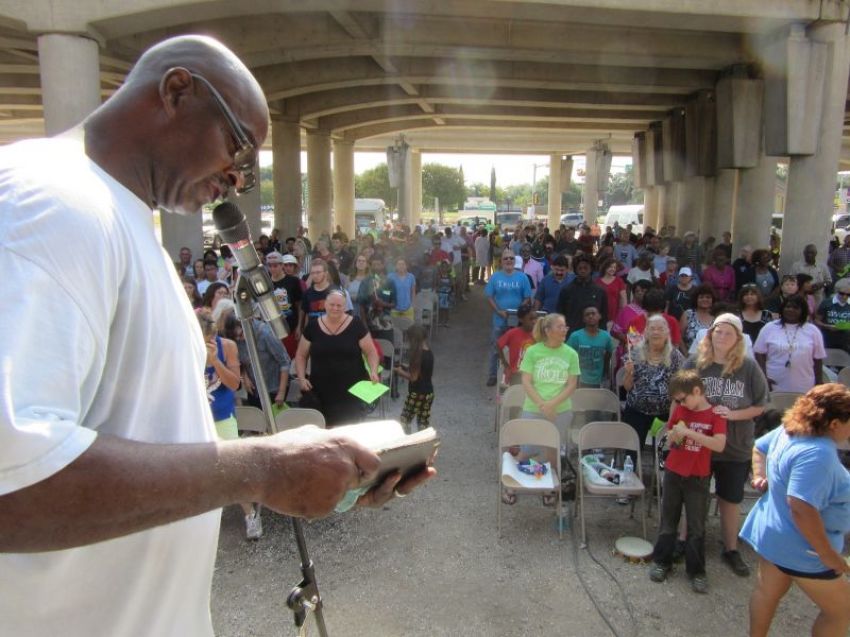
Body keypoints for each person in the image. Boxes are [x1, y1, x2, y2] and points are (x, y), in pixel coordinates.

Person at [0, 35, 432, 636]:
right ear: (178, 92)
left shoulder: (113, 213)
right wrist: (259, 468)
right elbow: (13, 483)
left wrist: (311, 479)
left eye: (249, 167)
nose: (237, 178)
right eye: (237, 146)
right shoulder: (47, 205)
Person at [740, 383, 850, 637]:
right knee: (841, 611)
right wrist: (827, 554)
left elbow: (759, 447)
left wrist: (760, 475)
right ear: (834, 423)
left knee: (766, 593)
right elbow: (800, 506)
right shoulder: (818, 453)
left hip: (774, 537)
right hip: (805, 550)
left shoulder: (789, 430)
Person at [684, 313, 769, 577]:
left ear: (738, 339)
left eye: (728, 333)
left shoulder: (749, 367)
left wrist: (731, 415)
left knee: (730, 498)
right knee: (693, 495)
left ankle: (731, 548)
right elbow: (678, 397)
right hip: (700, 441)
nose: (721, 337)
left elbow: (760, 405)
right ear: (709, 334)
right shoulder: (695, 363)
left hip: (735, 443)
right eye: (717, 331)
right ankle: (684, 541)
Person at [649, 370, 727, 594]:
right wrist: (675, 435)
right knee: (668, 521)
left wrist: (690, 433)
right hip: (674, 471)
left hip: (698, 475)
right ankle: (662, 561)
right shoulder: (682, 409)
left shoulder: (715, 414)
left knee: (696, 526)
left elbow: (718, 445)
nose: (681, 404)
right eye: (677, 401)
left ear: (697, 391)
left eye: (683, 399)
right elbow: (674, 437)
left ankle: (697, 571)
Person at [514, 312, 581, 505]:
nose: (565, 330)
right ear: (548, 330)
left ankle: (549, 487)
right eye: (560, 327)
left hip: (561, 410)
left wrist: (551, 405)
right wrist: (543, 405)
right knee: (528, 448)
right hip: (534, 407)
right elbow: (526, 381)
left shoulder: (571, 354)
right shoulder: (533, 351)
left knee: (552, 451)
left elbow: (571, 385)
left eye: (565, 326)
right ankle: (512, 484)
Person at [294, 289, 381, 426]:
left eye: (339, 305)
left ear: (345, 307)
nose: (335, 308)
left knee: (348, 432)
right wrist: (301, 378)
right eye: (332, 304)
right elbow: (300, 355)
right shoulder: (312, 327)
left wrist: (374, 371)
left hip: (351, 392)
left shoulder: (356, 325)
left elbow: (371, 352)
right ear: (325, 305)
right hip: (320, 391)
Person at [622, 315, 686, 464]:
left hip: (666, 410)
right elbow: (627, 387)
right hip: (638, 408)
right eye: (652, 329)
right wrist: (629, 372)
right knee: (632, 447)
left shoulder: (676, 356)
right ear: (646, 332)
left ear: (667, 333)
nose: (656, 332)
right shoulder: (635, 353)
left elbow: (681, 389)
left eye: (660, 329)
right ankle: (630, 470)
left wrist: (672, 418)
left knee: (673, 440)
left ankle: (666, 473)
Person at [754, 295, 825, 394]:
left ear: (803, 311)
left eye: (795, 308)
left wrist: (819, 382)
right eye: (788, 307)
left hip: (804, 384)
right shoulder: (769, 328)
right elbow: (759, 353)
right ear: (782, 309)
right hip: (773, 383)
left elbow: (818, 359)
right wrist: (763, 377)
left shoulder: (812, 330)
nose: (791, 310)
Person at [485, 249, 532, 387]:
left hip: (517, 321)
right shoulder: (495, 277)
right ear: (501, 261)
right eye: (506, 258)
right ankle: (493, 375)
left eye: (511, 258)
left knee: (517, 349)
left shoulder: (522, 277)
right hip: (499, 320)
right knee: (496, 348)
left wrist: (518, 313)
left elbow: (527, 297)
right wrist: (499, 311)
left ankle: (516, 375)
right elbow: (489, 296)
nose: (509, 261)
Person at [393, 325, 435, 433]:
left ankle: (408, 442)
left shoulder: (418, 355)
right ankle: (423, 445)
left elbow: (413, 378)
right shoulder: (429, 353)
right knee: (423, 422)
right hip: (428, 393)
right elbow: (422, 372)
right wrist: (407, 367)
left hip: (417, 393)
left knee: (405, 420)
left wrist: (400, 371)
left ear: (413, 340)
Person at [556, 254, 608, 334]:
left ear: (591, 269)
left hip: (593, 334)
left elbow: (603, 317)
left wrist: (602, 335)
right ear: (575, 270)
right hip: (571, 334)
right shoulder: (567, 290)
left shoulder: (599, 291)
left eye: (585, 268)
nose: (582, 270)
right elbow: (560, 314)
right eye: (580, 268)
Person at [567, 306, 615, 388]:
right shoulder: (575, 336)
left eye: (593, 313)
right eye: (587, 314)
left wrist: (606, 371)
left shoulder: (606, 336)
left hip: (599, 381)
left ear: (599, 316)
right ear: (583, 319)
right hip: (579, 382)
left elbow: (613, 354)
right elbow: (566, 357)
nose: (590, 316)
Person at [497, 305, 538, 386]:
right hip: (517, 374)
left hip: (535, 375)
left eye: (535, 318)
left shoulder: (539, 335)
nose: (534, 321)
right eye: (530, 319)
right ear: (521, 319)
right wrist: (506, 365)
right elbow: (499, 345)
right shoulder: (512, 333)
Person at [815, 276, 850, 351]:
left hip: (846, 340)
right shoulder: (826, 302)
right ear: (836, 291)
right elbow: (817, 320)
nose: (844, 297)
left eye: (848, 294)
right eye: (842, 293)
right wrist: (826, 326)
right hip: (827, 338)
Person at [680, 284, 718, 353]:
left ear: (713, 299)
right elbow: (679, 338)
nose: (704, 299)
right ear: (696, 299)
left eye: (708, 297)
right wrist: (686, 355)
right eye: (701, 297)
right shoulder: (688, 314)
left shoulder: (717, 316)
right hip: (690, 358)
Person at [596, 257, 627, 328]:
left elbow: (623, 299)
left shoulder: (619, 281)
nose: (612, 269)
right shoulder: (597, 282)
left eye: (614, 267)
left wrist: (623, 314)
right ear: (605, 267)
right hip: (601, 315)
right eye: (610, 267)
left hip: (615, 315)